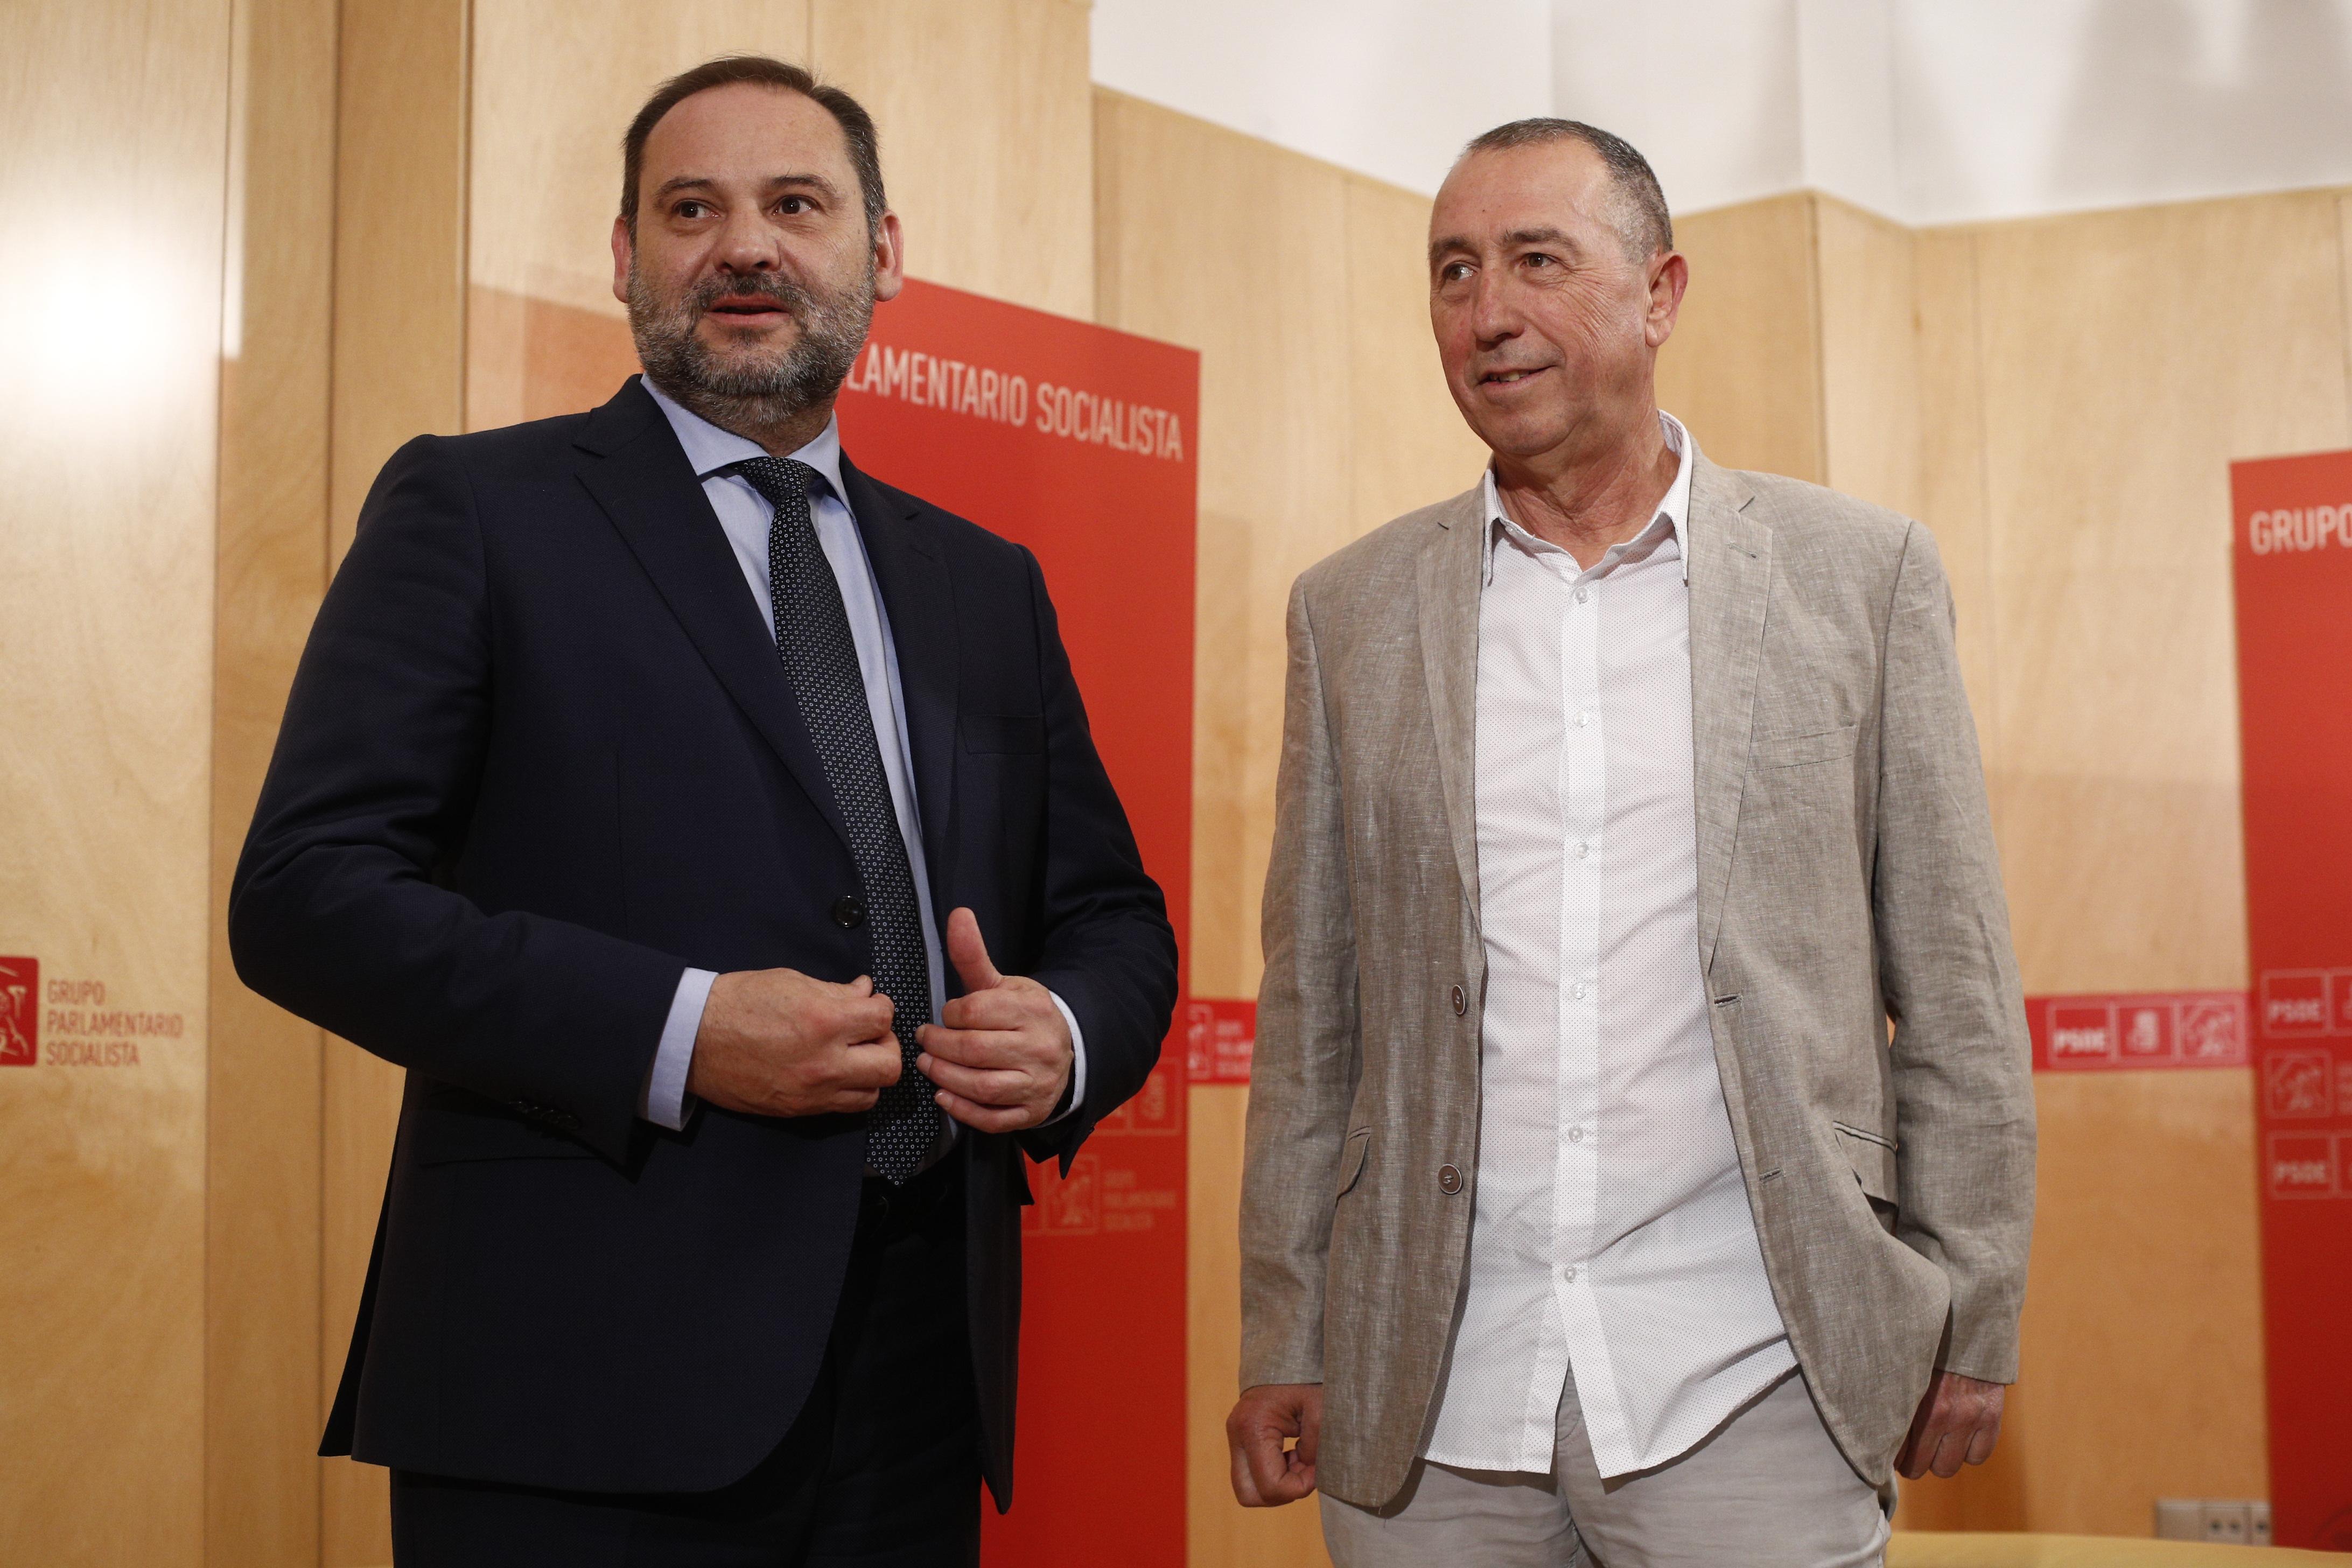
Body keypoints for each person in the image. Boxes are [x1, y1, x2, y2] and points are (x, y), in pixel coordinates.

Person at [231, 54, 1177, 1565]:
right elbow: (306, 897)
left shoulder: (982, 582)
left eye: (796, 204)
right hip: (574, 1398)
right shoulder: (478, 512)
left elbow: (1113, 917)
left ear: (883, 254)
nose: (746, 247)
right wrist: (679, 1030)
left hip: (918, 1383)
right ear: (626, 259)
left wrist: (1061, 1036)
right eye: (693, 208)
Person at [1227, 118, 2034, 1567]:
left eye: (1540, 262)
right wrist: (1287, 1323)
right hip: (1429, 1400)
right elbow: (1312, 1017)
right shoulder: (1348, 612)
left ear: (1660, 295)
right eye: (1454, 271)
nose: (1488, 314)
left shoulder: (1863, 578)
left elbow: (1958, 988)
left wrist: (1972, 1304)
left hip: (1756, 1374)